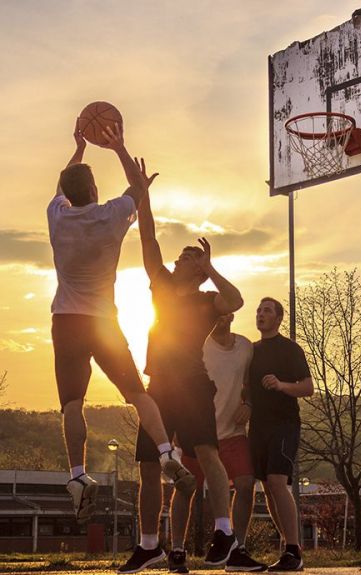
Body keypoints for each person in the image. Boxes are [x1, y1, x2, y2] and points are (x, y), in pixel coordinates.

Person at [48, 121, 189, 535]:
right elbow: (138, 190)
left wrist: (78, 149)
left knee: (72, 403)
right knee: (137, 394)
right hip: (104, 322)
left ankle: (77, 475)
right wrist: (120, 148)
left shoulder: (57, 217)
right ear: (94, 191)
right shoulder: (112, 214)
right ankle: (166, 453)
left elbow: (62, 186)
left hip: (67, 322)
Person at [118, 159, 245, 574]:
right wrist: (143, 192)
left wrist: (210, 266)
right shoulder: (161, 285)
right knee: (149, 466)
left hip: (192, 384)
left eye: (191, 255)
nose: (183, 255)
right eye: (185, 253)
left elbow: (237, 300)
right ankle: (149, 544)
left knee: (207, 452)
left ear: (200, 270)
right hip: (159, 387)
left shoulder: (207, 300)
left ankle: (224, 532)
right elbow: (149, 234)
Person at [166, 313, 267, 573]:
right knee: (187, 488)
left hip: (233, 432)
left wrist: (248, 403)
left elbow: (250, 383)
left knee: (246, 485)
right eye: (215, 313)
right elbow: (178, 384)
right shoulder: (197, 344)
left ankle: (237, 550)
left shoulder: (245, 346)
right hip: (199, 431)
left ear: (232, 314)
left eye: (224, 313)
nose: (219, 318)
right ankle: (177, 551)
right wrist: (177, 425)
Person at [246, 297, 314, 572]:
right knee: (267, 487)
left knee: (277, 481)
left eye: (267, 310)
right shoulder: (250, 351)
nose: (261, 314)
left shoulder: (290, 349)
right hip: (257, 427)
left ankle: (294, 550)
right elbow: (244, 388)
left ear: (278, 318)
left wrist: (281, 384)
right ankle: (289, 548)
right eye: (259, 310)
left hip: (284, 424)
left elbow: (308, 387)